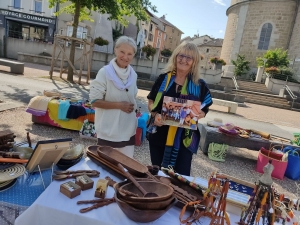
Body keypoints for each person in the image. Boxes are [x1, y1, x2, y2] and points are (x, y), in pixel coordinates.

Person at [147, 42, 213, 176]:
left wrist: (200, 114)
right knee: (159, 175)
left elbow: (205, 107)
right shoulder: (164, 78)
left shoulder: (200, 85)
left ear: (194, 62)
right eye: (181, 55)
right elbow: (151, 101)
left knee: (181, 177)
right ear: (175, 57)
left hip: (184, 140)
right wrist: (155, 115)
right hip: (159, 134)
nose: (184, 60)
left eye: (189, 58)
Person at [89, 36, 138, 158]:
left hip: (128, 131)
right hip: (109, 131)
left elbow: (132, 98)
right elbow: (94, 101)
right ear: (115, 50)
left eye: (129, 54)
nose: (125, 57)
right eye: (122, 52)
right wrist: (119, 106)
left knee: (126, 169)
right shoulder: (105, 72)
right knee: (107, 170)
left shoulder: (133, 75)